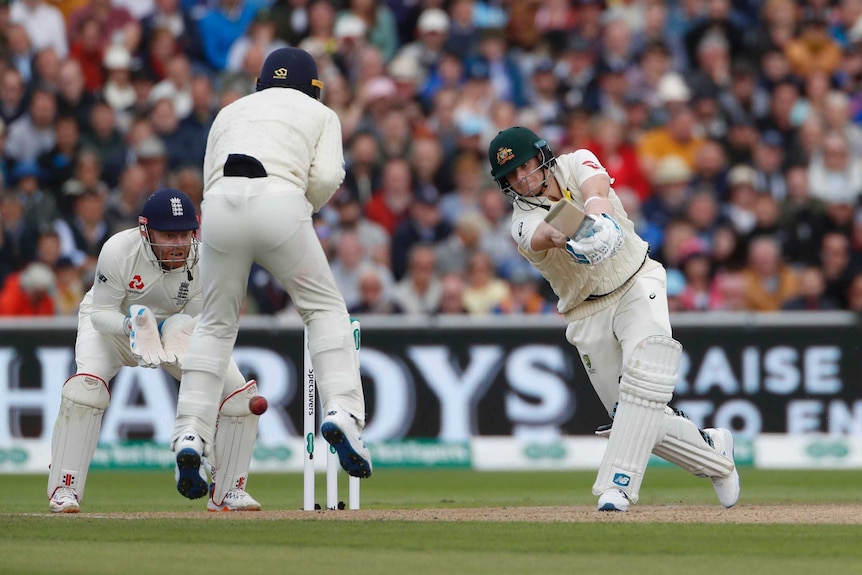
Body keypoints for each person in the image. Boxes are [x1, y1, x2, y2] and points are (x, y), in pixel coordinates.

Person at [486, 126, 740, 512]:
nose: (522, 179)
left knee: (645, 380)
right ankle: (713, 452)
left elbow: (596, 186)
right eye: (511, 176)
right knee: (633, 418)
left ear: (542, 157)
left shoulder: (576, 161)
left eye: (526, 167)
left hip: (637, 281)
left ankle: (617, 486)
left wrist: (598, 220)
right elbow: (545, 235)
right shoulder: (519, 221)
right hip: (586, 312)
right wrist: (573, 236)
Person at [171, 47, 372, 508]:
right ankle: (343, 412)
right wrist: (300, 209)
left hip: (219, 206)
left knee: (214, 325)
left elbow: (208, 178)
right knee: (323, 310)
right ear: (312, 87)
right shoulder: (320, 112)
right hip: (280, 200)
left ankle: (189, 436)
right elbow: (325, 176)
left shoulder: (229, 110)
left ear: (262, 83)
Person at [47, 189, 265, 513]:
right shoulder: (119, 250)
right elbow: (100, 313)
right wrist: (130, 328)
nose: (178, 244)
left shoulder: (206, 260)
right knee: (86, 390)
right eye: (169, 235)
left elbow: (198, 319)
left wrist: (173, 331)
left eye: (185, 234)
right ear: (145, 230)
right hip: (116, 327)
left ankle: (228, 490)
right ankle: (65, 489)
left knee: (238, 396)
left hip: (173, 330)